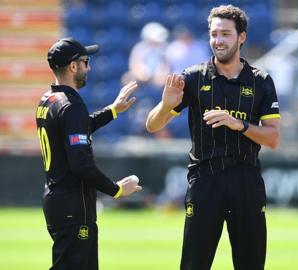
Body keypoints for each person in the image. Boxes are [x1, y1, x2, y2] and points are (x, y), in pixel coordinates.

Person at [145, 5, 281, 270]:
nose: (218, 40)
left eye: (225, 34)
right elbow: (152, 125)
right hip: (205, 180)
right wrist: (164, 106)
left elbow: (273, 139)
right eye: (214, 34)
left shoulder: (261, 81)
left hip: (246, 180)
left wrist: (237, 124)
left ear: (241, 37)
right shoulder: (193, 77)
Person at [37, 37, 142, 270]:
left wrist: (112, 110)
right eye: (85, 62)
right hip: (73, 206)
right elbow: (80, 164)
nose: (89, 67)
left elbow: (77, 127)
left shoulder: (48, 100)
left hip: (57, 200)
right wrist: (116, 190)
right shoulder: (71, 105)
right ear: (73, 66)